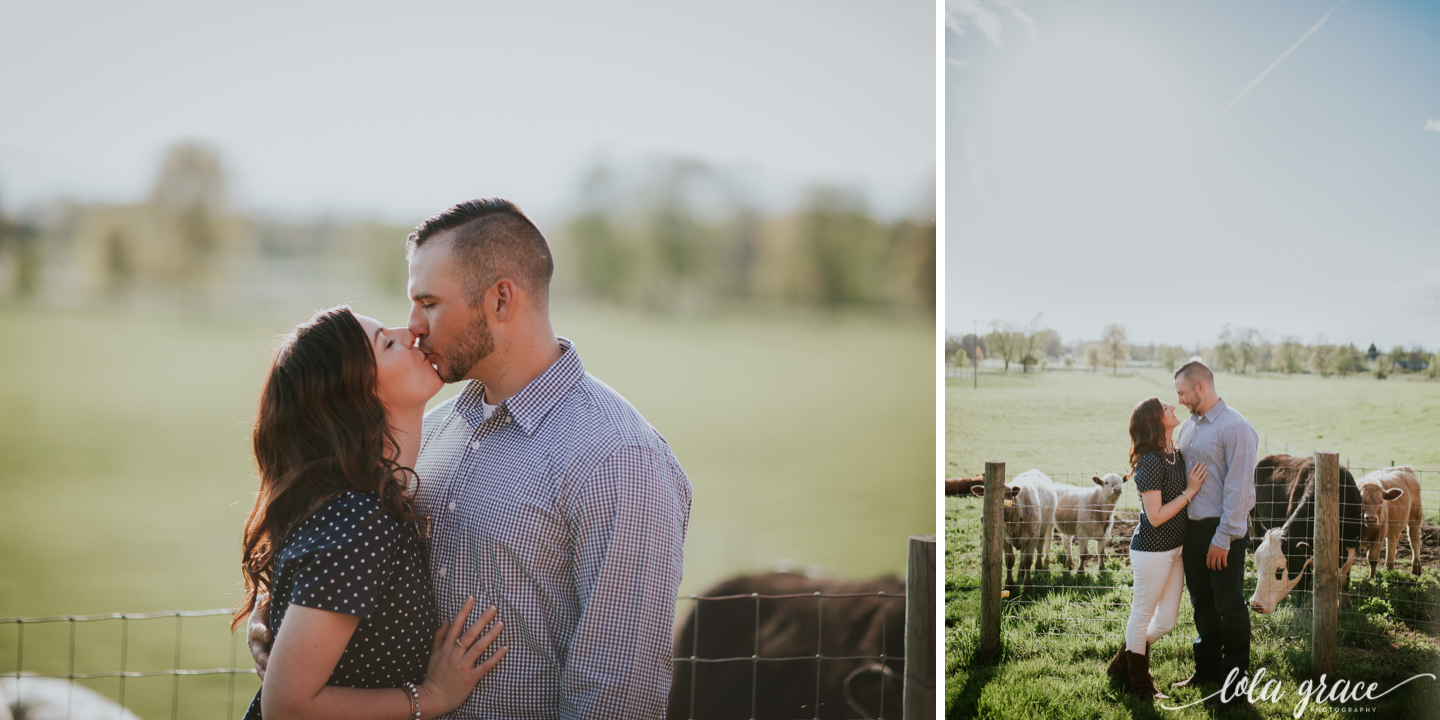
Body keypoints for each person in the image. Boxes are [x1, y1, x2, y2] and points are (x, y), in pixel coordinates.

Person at [250, 199, 692, 718]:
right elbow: (343, 564)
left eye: (429, 302)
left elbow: (619, 693)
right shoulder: (426, 436)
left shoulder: (619, 459)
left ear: (500, 300)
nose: (413, 325)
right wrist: (280, 621)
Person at [235, 306, 506, 720]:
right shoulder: (362, 519)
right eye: (388, 342)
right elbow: (286, 707)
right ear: (358, 395)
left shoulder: (359, 505)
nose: (411, 332)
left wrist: (271, 611)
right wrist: (430, 696)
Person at [1170, 360, 1257, 707]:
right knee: (1202, 604)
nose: (1179, 400)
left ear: (1200, 387)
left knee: (1230, 606)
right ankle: (1207, 670)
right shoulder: (1188, 428)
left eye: (1182, 393)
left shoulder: (1236, 428)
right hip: (1192, 533)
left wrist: (1223, 537)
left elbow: (1238, 490)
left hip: (1224, 534)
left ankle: (1235, 686)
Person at [1107, 397, 1204, 699]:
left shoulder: (1174, 452)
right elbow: (1156, 516)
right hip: (1151, 551)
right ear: (1154, 421)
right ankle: (1140, 685)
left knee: (1166, 622)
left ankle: (1122, 661)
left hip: (1175, 549)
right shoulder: (1149, 460)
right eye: (1165, 408)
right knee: (1143, 614)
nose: (1173, 408)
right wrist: (1190, 492)